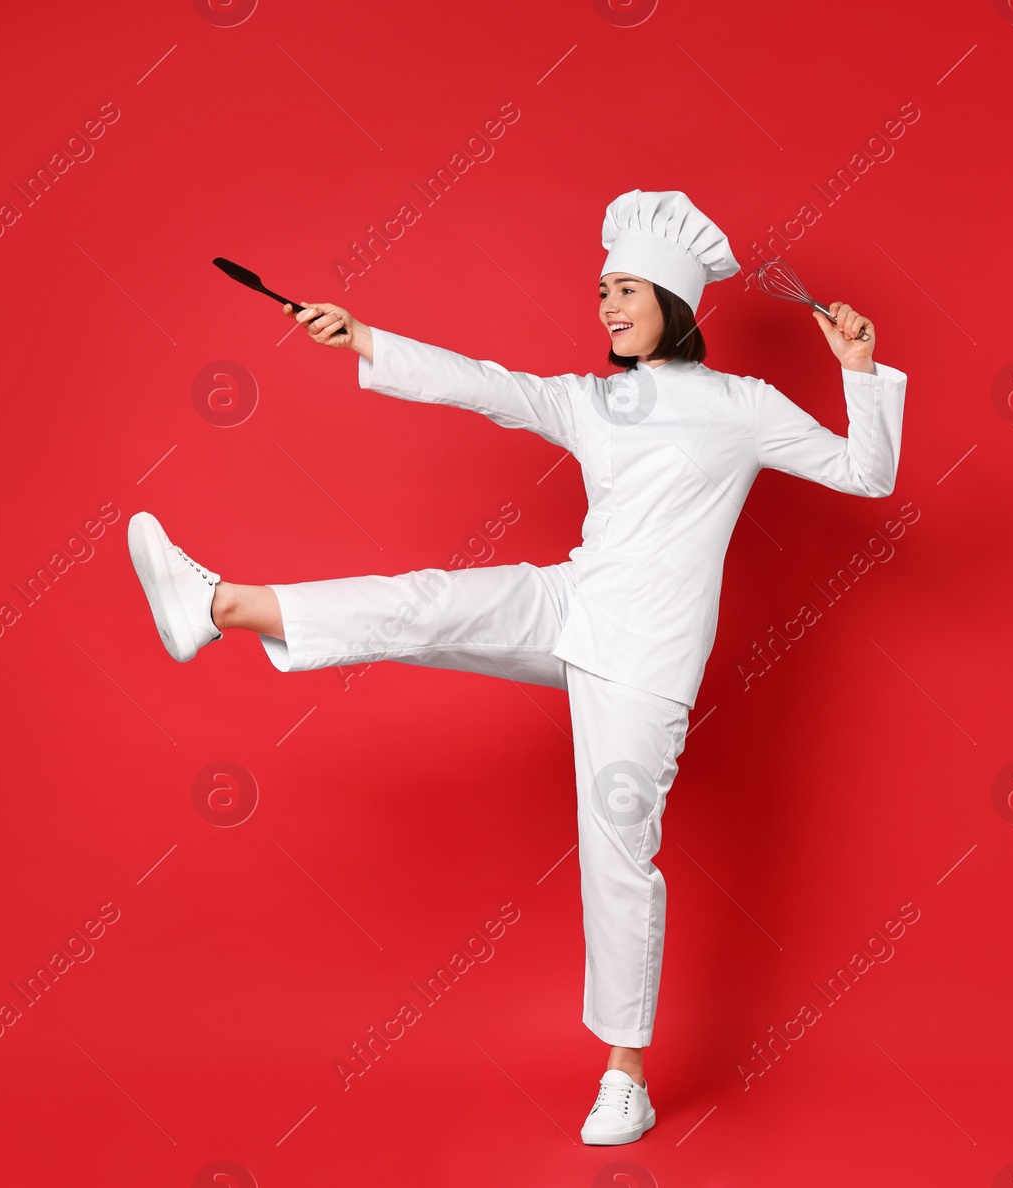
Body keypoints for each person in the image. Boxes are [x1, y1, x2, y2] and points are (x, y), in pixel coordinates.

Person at [127, 189, 908, 1145]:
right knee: (427, 602)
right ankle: (218, 606)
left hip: (649, 652)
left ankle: (627, 1074)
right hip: (573, 600)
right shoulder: (594, 401)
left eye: (626, 290)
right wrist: (365, 337)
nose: (609, 308)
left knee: (618, 850)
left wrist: (861, 371)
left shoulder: (742, 407)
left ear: (673, 298)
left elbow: (867, 473)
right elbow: (488, 384)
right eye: (601, 291)